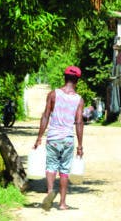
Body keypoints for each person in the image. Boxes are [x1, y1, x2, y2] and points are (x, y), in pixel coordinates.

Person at [34, 66, 84, 211]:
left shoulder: (53, 94)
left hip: (53, 138)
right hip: (68, 139)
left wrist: (39, 138)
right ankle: (62, 203)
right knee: (64, 170)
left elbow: (45, 116)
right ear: (77, 81)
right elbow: (79, 122)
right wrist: (80, 146)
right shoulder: (79, 100)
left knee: (51, 167)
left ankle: (50, 193)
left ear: (64, 77)